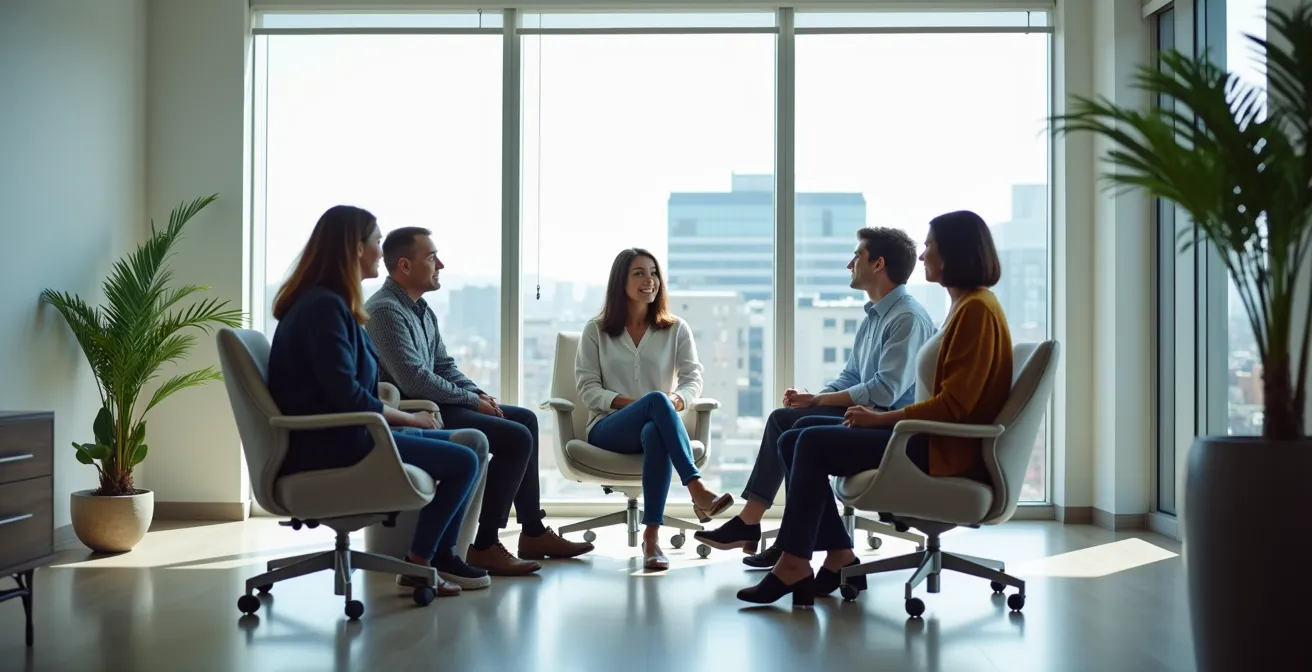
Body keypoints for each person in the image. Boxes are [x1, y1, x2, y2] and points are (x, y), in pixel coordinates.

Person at [736, 210, 1014, 607]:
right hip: (926, 436)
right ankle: (835, 554)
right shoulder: (965, 307)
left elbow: (954, 405)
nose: (922, 257)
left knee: (808, 443)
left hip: (937, 447)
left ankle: (796, 561)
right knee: (794, 437)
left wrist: (880, 419)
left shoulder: (975, 312)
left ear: (954, 252)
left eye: (930, 247)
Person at [267, 205, 484, 598]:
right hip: (334, 444)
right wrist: (410, 419)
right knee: (465, 459)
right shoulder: (324, 308)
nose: (380, 252)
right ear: (354, 248)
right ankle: (421, 562)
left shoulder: (333, 304)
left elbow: (353, 387)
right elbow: (345, 395)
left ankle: (434, 558)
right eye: (376, 242)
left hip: (347, 434)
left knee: (470, 441)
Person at [695, 227, 935, 566]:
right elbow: (852, 376)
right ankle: (751, 523)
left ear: (878, 264)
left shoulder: (907, 318)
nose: (849, 264)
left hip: (886, 423)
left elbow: (884, 391)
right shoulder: (875, 315)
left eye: (857, 256)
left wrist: (819, 404)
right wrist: (817, 397)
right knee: (784, 419)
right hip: (863, 415)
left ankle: (792, 540)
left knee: (800, 432)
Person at [365, 227, 593, 580]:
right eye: (431, 257)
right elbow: (413, 379)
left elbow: (443, 365)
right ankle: (485, 543)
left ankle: (532, 532)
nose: (440, 263)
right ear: (405, 266)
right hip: (420, 410)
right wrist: (471, 401)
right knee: (516, 438)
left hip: (443, 403)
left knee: (526, 420)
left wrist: (479, 396)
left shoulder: (421, 310)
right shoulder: (384, 311)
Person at [575, 248, 734, 570]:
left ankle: (651, 537)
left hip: (657, 427)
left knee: (654, 428)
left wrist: (675, 401)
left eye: (654, 273)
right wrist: (645, 405)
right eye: (639, 273)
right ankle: (697, 489)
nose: (650, 281)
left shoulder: (675, 328)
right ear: (621, 281)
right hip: (608, 428)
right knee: (656, 405)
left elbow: (692, 379)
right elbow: (587, 389)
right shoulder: (596, 330)